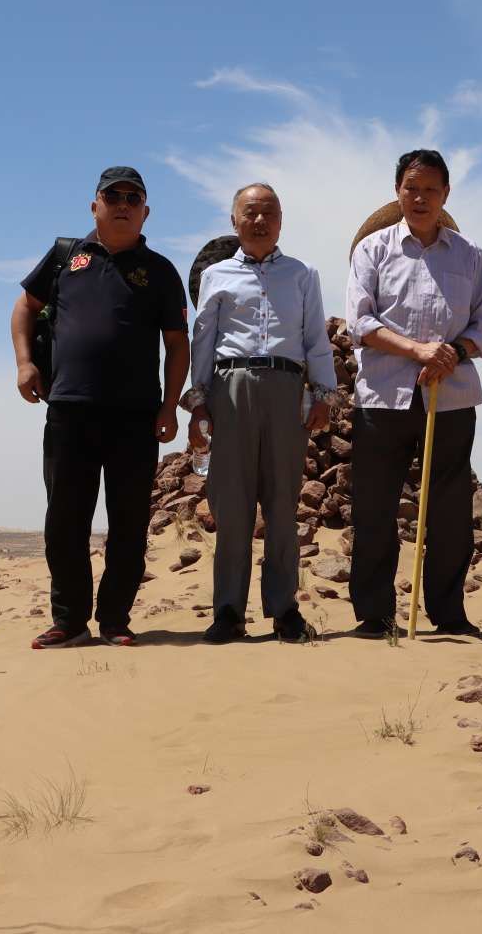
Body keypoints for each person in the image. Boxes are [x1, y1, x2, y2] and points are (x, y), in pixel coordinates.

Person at [10, 166, 189, 648]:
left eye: (133, 198)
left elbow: (177, 343)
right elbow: (25, 307)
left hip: (135, 415)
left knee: (128, 522)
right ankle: (69, 621)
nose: (123, 204)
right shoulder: (65, 257)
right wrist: (25, 363)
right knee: (64, 521)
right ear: (95, 206)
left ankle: (114, 620)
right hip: (70, 409)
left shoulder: (160, 271)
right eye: (114, 196)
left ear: (146, 212)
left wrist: (170, 406)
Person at [344, 149, 482, 636]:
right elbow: (360, 322)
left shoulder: (470, 256)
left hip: (450, 397)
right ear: (398, 191)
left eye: (431, 189)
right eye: (412, 188)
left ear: (446, 194)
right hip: (382, 398)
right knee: (374, 508)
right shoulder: (373, 250)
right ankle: (375, 615)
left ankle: (448, 613)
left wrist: (452, 353)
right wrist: (417, 350)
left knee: (449, 511)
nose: (421, 197)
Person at [185, 184, 335, 644]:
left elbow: (315, 338)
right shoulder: (216, 275)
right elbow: (203, 340)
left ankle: (285, 610)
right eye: (250, 212)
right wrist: (198, 401)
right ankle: (228, 611)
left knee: (282, 505)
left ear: (281, 221)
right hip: (231, 389)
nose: (259, 221)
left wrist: (323, 394)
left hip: (287, 389)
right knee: (232, 507)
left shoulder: (302, 274)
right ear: (234, 221)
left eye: (269, 212)